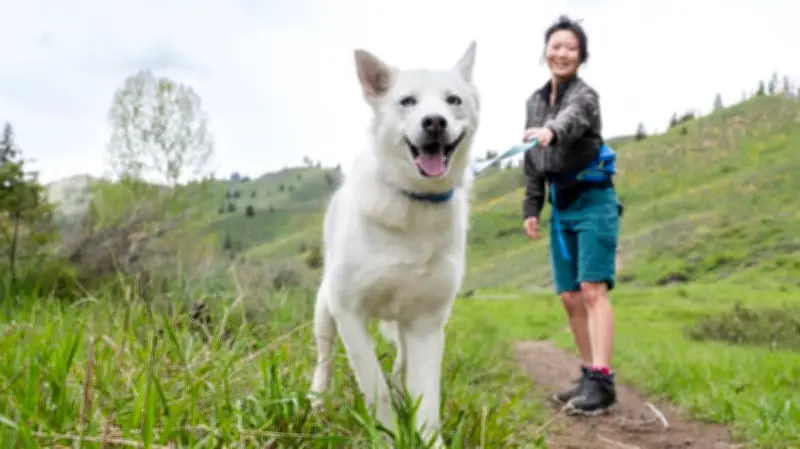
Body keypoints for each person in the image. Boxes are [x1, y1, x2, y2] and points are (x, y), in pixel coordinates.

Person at [521, 15, 621, 416]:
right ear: (546, 51)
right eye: (556, 46)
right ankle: (588, 374)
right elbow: (531, 156)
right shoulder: (534, 101)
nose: (562, 53)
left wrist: (552, 130)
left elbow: (573, 118)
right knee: (569, 296)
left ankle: (603, 381)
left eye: (571, 48)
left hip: (594, 202)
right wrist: (532, 206)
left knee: (593, 290)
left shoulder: (585, 96)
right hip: (561, 206)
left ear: (581, 56)